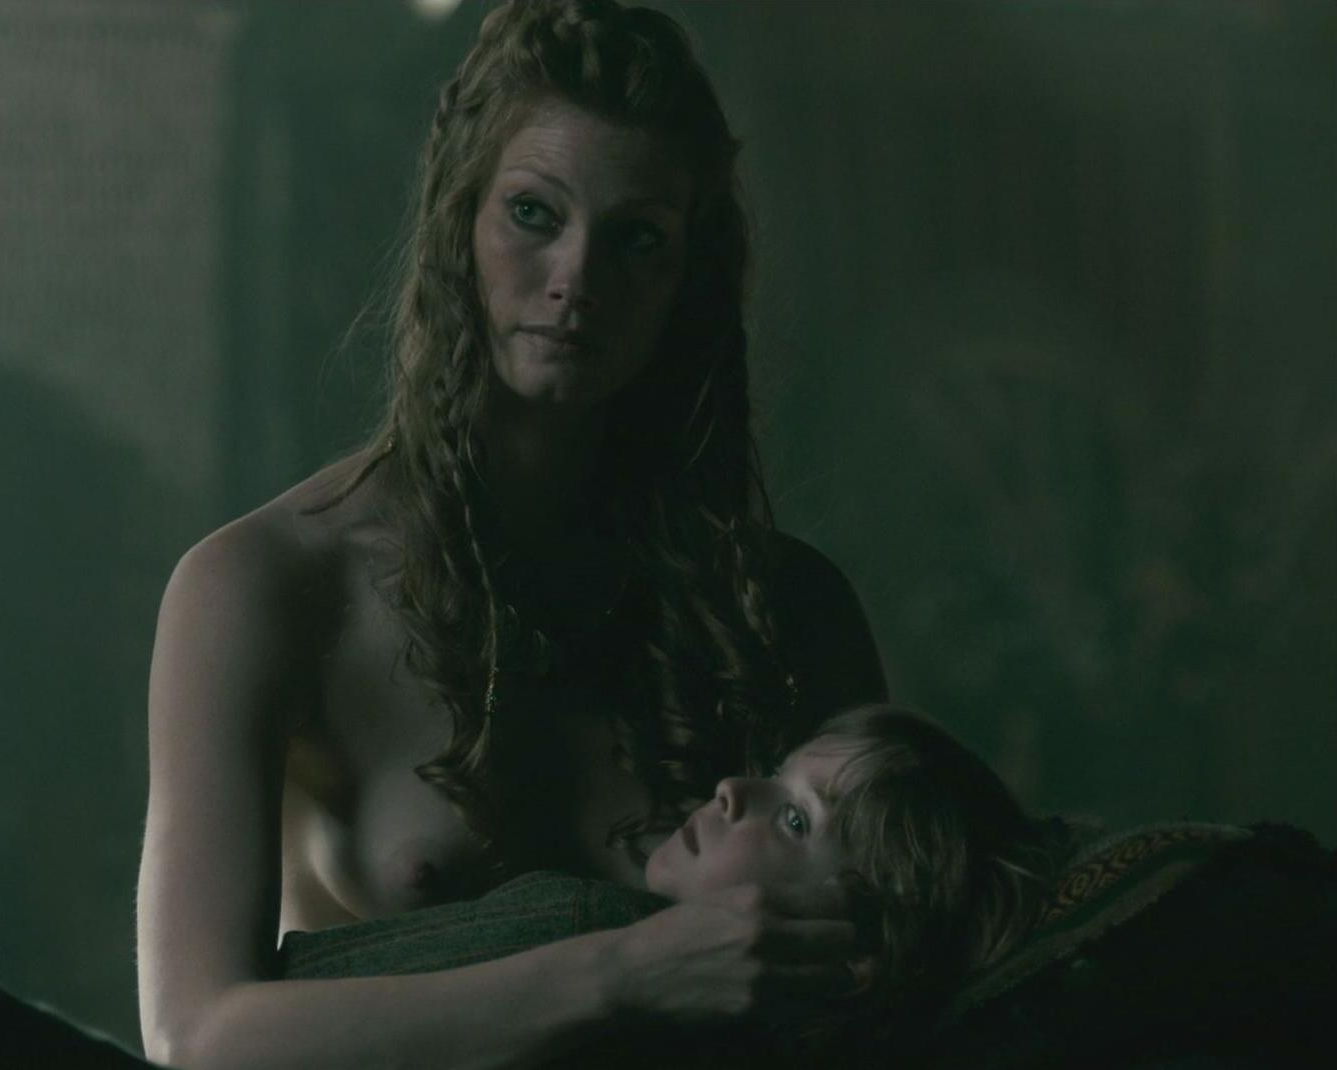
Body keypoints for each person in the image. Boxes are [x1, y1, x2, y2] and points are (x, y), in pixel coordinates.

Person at [135, 2, 886, 1068]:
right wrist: (624, 970)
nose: (578, 277)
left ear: (688, 277)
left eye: (637, 238)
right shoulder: (267, 587)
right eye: (534, 214)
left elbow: (898, 968)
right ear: (461, 219)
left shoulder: (787, 608)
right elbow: (198, 1034)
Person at [277, 704, 1052, 1063]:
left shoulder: (583, 923)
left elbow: (283, 1003)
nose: (731, 789)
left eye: (795, 819)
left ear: (854, 956)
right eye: (773, 774)